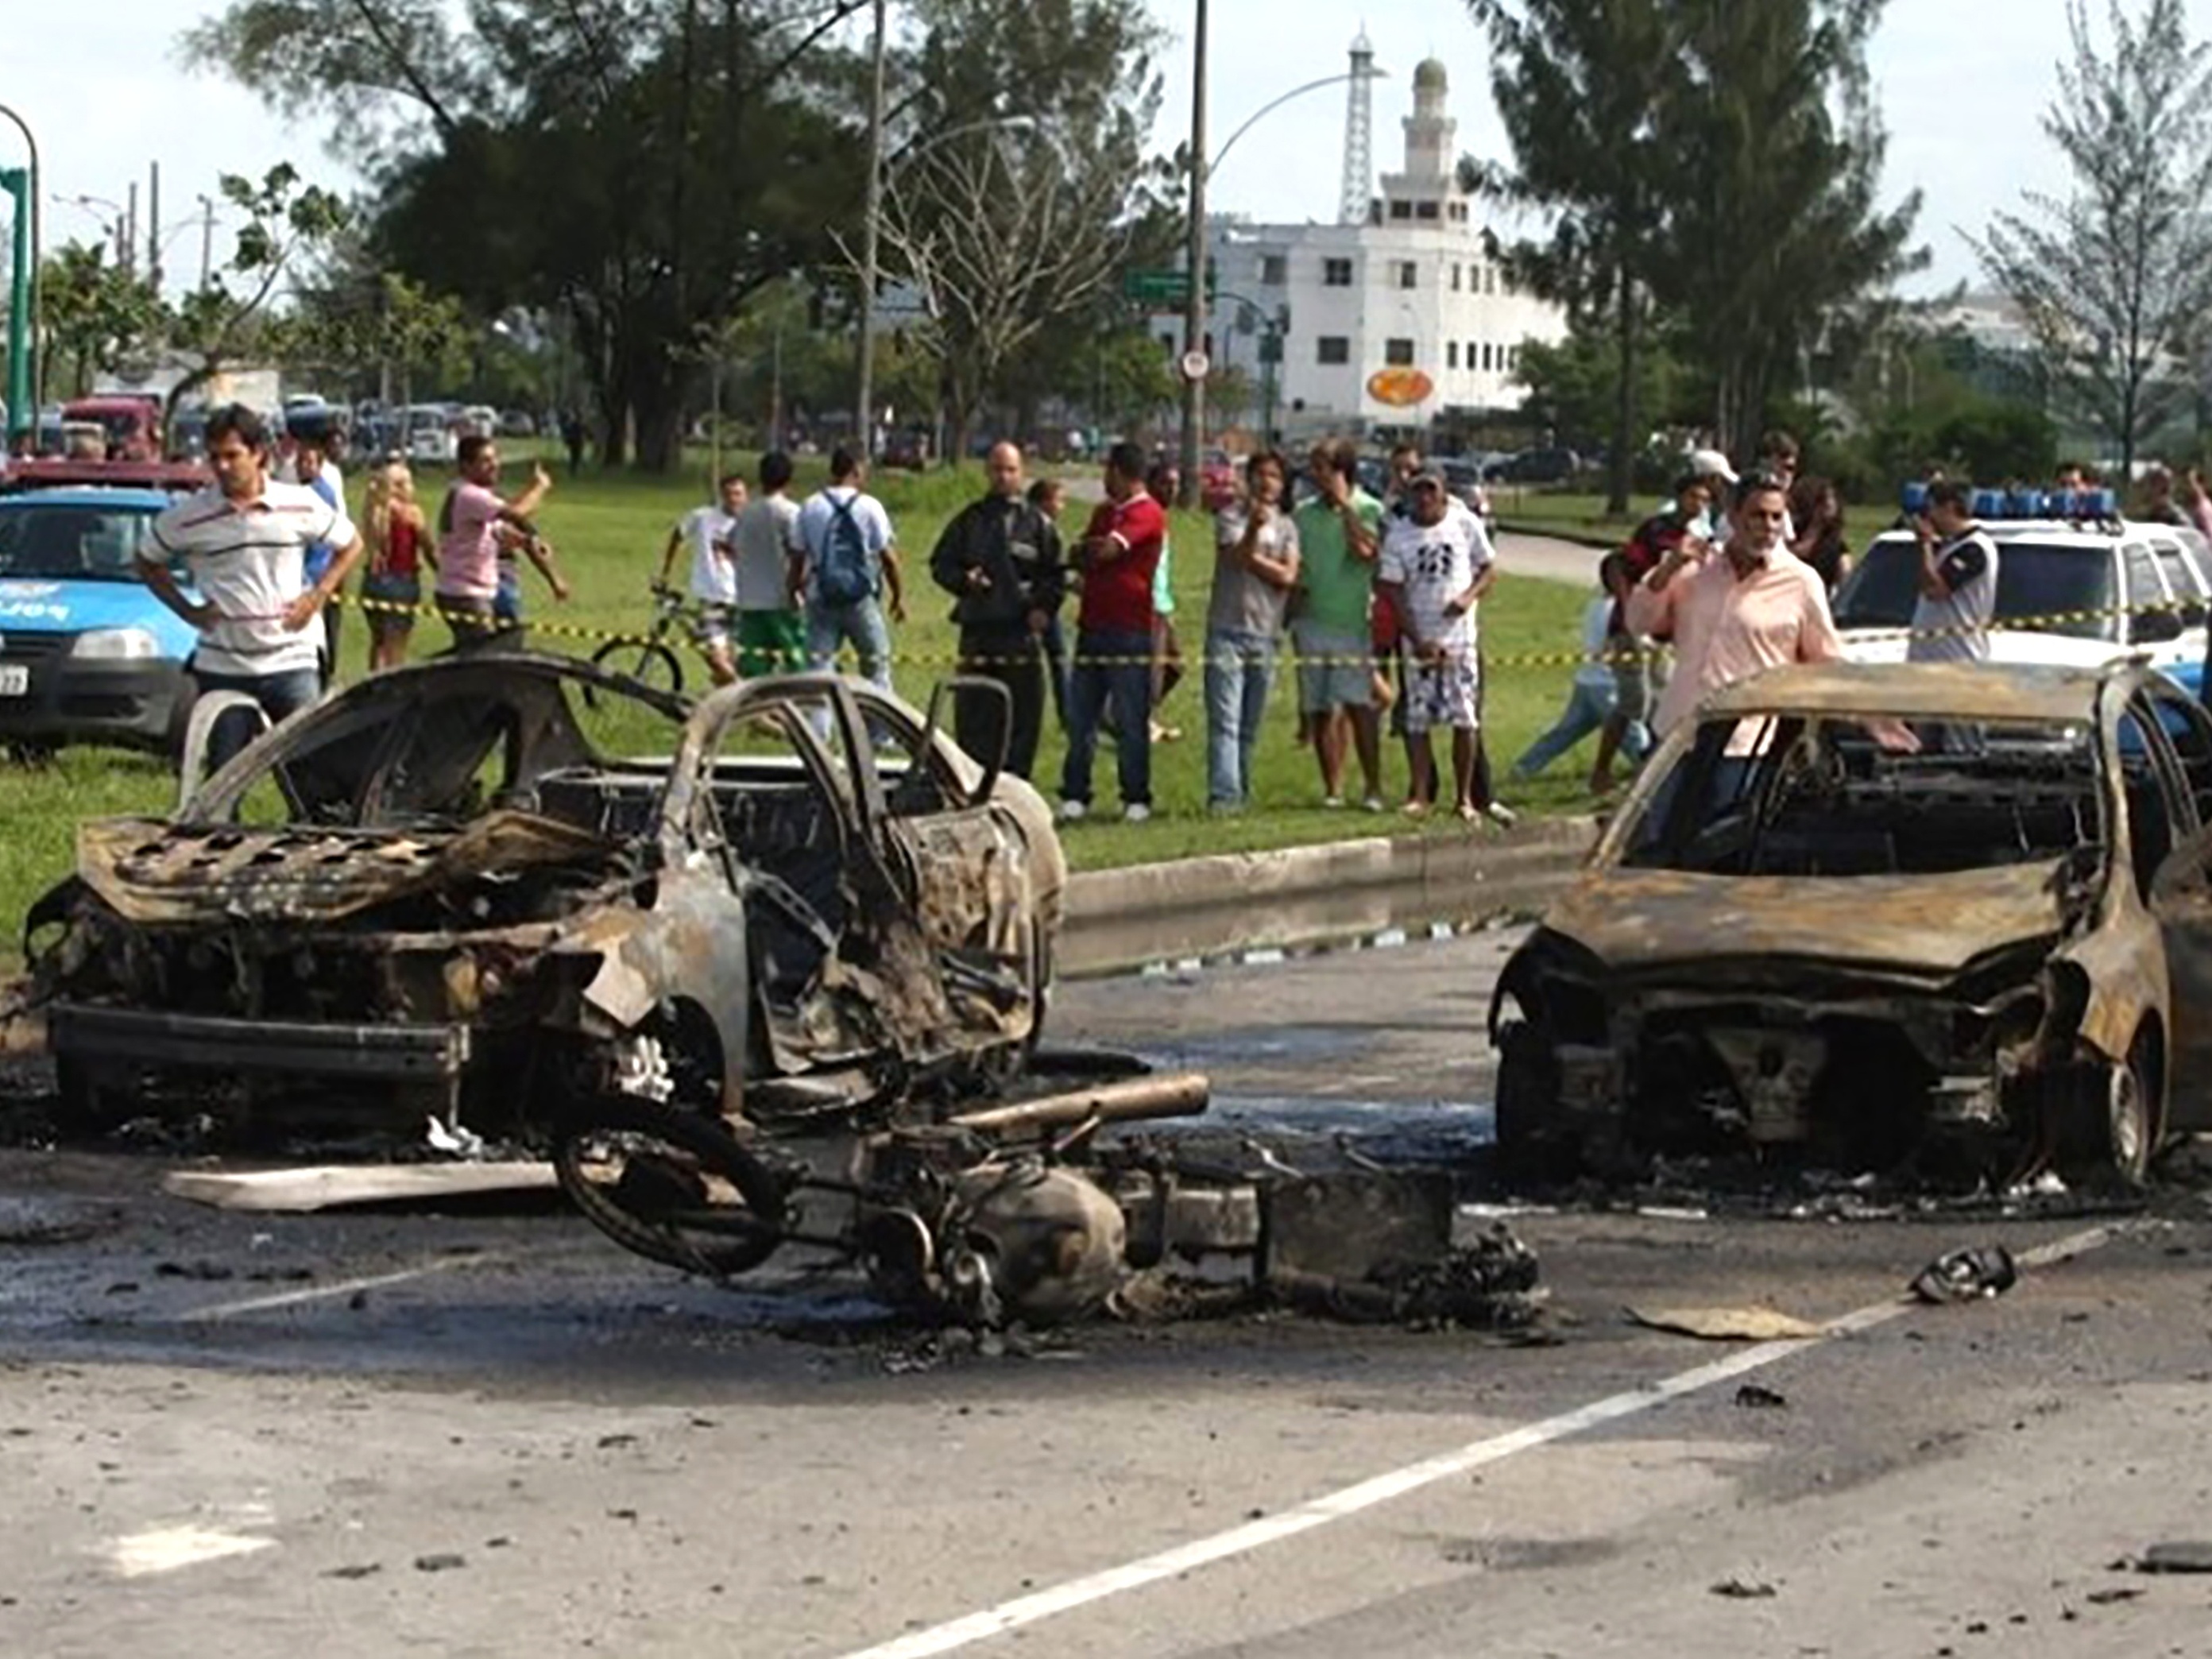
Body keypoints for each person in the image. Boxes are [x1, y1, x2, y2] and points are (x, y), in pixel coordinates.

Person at [139, 404, 365, 769]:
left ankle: (316, 824)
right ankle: (222, 828)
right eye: (215, 457)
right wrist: (187, 610)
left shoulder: (299, 503)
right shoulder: (190, 517)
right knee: (226, 773)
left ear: (258, 453)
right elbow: (146, 560)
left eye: (233, 455)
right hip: (224, 663)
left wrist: (317, 596)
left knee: (310, 764)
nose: (223, 466)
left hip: (291, 657)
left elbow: (351, 544)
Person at [1626, 472, 1843, 753]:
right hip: (1678, 733)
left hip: (1744, 744)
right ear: (1732, 516)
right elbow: (1638, 622)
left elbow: (1826, 658)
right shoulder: (1694, 567)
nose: (1768, 527)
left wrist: (1872, 715)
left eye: (1776, 517)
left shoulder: (1801, 582)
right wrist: (1666, 572)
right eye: (1758, 515)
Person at [930, 443, 1065, 779]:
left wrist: (1044, 609)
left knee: (1023, 717)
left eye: (1011, 470)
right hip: (979, 633)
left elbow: (1055, 576)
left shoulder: (1037, 524)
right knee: (975, 714)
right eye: (997, 469)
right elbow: (940, 564)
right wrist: (964, 580)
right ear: (987, 472)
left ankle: (1017, 785)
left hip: (1020, 636)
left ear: (1021, 473)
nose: (1003, 476)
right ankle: (973, 783)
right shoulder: (970, 521)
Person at [1376, 467, 1496, 822]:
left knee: (1465, 718)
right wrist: (1416, 638)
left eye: (1431, 490)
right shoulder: (1400, 535)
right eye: (1418, 491)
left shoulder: (1464, 523)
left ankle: (1464, 798)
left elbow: (1488, 568)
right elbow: (1393, 590)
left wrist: (1469, 597)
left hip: (1459, 640)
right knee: (1417, 721)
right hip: (1419, 640)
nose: (1425, 498)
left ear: (1444, 493)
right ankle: (1421, 793)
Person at [1059, 441, 1166, 822]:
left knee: (1129, 716)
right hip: (1092, 625)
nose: (1104, 478)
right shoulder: (1104, 512)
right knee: (1081, 715)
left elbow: (1107, 551)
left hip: (1129, 629)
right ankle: (1075, 793)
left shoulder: (1148, 513)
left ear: (1121, 473)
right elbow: (1079, 554)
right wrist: (1086, 551)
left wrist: (1091, 551)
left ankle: (1136, 795)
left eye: (1107, 471)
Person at [1290, 437, 1386, 810]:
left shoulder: (1369, 508)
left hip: (1351, 625)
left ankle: (1373, 786)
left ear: (1342, 470)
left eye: (1323, 468)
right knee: (1320, 709)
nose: (1316, 476)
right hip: (1312, 621)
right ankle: (1333, 788)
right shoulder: (1303, 514)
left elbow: (1365, 553)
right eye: (1313, 468)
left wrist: (1346, 509)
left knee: (1359, 707)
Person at [1203, 451, 1301, 811]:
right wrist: (1254, 534)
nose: (1267, 482)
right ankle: (1224, 797)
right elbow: (1232, 557)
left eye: (1275, 476)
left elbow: (1288, 576)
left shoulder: (1288, 526)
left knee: (1249, 723)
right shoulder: (1231, 516)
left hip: (1267, 632)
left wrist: (1256, 561)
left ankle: (1242, 788)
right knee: (1225, 719)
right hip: (1228, 629)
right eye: (1260, 474)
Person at [1514, 555, 1651, 789]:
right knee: (1634, 736)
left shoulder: (1595, 604)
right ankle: (1650, 776)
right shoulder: (1618, 611)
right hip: (1609, 684)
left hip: (1586, 680)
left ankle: (1526, 766)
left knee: (1565, 731)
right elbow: (1633, 641)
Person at [791, 447, 904, 688]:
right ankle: (877, 725)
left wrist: (794, 592)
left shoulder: (810, 506)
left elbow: (797, 558)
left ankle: (817, 726)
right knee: (876, 666)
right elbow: (888, 559)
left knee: (818, 673)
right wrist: (897, 597)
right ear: (856, 470)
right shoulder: (870, 506)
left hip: (821, 596)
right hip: (860, 598)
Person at [435, 435, 559, 650]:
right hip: (467, 593)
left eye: (495, 459)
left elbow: (498, 530)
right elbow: (516, 514)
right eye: (485, 461)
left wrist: (527, 540)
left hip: (469, 591)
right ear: (466, 466)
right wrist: (540, 487)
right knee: (483, 660)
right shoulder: (470, 495)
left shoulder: (466, 493)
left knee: (478, 656)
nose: (494, 465)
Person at [658, 473, 749, 686]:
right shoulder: (703, 517)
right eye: (728, 494)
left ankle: (738, 702)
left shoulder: (753, 523)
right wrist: (666, 572)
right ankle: (745, 696)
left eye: (738, 494)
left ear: (746, 497)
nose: (733, 499)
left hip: (744, 600)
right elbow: (677, 536)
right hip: (712, 598)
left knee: (732, 663)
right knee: (716, 660)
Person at [727, 451, 809, 678]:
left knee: (753, 668)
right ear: (789, 479)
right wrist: (798, 589)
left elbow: (731, 546)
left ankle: (758, 710)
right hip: (781, 601)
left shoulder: (746, 513)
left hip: (749, 601)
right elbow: (799, 554)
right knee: (797, 662)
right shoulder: (790, 512)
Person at [1908, 479, 1999, 666]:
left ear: (1949, 508)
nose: (1928, 517)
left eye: (1931, 509)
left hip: (1958, 658)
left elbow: (1935, 589)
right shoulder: (1948, 547)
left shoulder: (1974, 548)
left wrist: (1925, 543)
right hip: (1929, 659)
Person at [360, 458, 430, 673]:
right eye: (408, 482)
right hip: (401, 581)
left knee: (378, 643)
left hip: (372, 581)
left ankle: (372, 686)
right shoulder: (411, 513)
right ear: (399, 487)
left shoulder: (373, 510)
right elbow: (427, 546)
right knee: (396, 649)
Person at [289, 427, 346, 683]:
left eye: (309, 462)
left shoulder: (317, 494)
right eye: (300, 462)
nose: (303, 467)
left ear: (319, 465)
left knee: (316, 635)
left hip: (316, 573)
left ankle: (322, 678)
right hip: (311, 572)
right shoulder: (300, 490)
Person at [1143, 458, 1185, 743]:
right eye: (1165, 483)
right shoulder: (1146, 516)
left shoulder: (1162, 517)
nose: (1172, 490)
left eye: (1175, 484)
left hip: (1163, 603)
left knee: (1176, 666)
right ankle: (1140, 722)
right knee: (1154, 673)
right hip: (1148, 604)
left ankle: (1137, 716)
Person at [1027, 476, 1074, 725]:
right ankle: (1067, 713)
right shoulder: (1040, 529)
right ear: (1044, 502)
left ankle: (1067, 712)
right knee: (1058, 659)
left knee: (1059, 658)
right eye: (1059, 501)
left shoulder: (1044, 527)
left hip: (1047, 602)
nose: (1062, 507)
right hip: (1040, 604)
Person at [1789, 474, 1851, 591]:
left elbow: (1845, 580)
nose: (1829, 504)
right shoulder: (1791, 533)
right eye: (1822, 500)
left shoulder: (1836, 547)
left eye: (1832, 499)